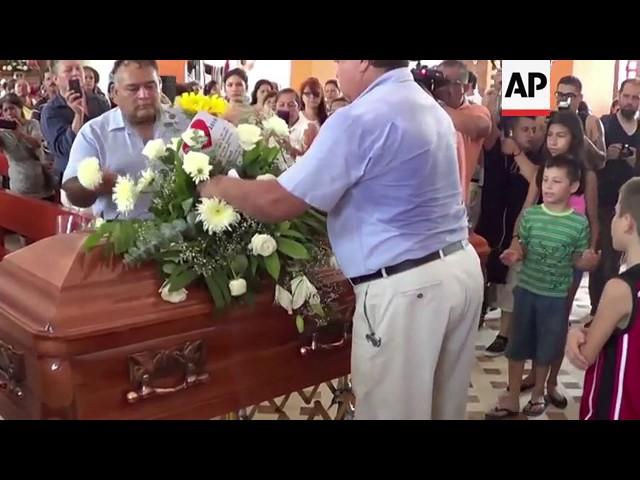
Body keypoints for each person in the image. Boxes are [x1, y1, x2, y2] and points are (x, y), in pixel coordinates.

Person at [196, 60, 483, 420]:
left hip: (407, 288)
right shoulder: (426, 103)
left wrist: (215, 185)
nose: (336, 68)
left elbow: (278, 201)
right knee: (443, 409)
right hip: (458, 270)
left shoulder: (359, 117)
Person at [486, 155, 599, 418]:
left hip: (556, 298)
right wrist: (516, 254)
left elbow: (577, 259)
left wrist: (588, 262)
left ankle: (538, 394)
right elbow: (522, 247)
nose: (548, 186)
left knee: (546, 349)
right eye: (545, 180)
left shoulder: (578, 223)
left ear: (572, 187)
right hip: (526, 292)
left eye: (556, 181)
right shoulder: (531, 216)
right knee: (516, 346)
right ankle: (512, 395)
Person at [62, 60, 190, 220]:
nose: (144, 95)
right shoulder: (94, 133)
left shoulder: (185, 123)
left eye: (150, 86)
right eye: (133, 89)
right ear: (114, 93)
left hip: (183, 235)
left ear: (160, 87)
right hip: (120, 238)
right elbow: (72, 191)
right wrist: (93, 185)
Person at [566, 177, 640, 420]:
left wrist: (575, 334)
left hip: (619, 408)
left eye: (617, 212)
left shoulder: (620, 289)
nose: (613, 219)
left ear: (628, 223)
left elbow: (585, 355)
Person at [476, 117, 538, 357]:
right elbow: (489, 122)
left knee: (511, 286)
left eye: (534, 129)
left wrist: (518, 154)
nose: (531, 134)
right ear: (511, 131)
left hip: (517, 230)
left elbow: (537, 177)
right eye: (525, 129)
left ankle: (504, 334)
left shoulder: (535, 158)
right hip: (489, 227)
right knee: (486, 282)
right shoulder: (495, 151)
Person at [590, 78, 640, 322]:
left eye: (636, 98)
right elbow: (591, 162)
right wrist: (606, 156)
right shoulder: (603, 125)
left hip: (635, 204)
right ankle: (597, 312)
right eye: (627, 96)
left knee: (633, 259)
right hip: (606, 202)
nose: (630, 101)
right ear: (619, 96)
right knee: (606, 261)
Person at [40, 60, 111, 181]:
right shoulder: (51, 111)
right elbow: (63, 150)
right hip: (71, 178)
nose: (75, 74)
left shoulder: (100, 102)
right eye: (68, 70)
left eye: (78, 68)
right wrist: (78, 115)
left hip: (103, 170)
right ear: (56, 79)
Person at [436, 60, 491, 201]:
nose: (444, 88)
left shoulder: (476, 112)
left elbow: (475, 128)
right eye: (440, 81)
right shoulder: (425, 108)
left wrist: (434, 104)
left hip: (455, 202)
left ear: (466, 88)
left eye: (452, 83)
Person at [0, 94, 54, 200]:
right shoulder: (2, 134)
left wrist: (20, 133)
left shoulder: (32, 124)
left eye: (12, 108)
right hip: (19, 186)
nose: (9, 112)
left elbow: (37, 143)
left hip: (42, 184)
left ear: (20, 108)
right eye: (5, 110)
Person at [555, 75, 606, 170]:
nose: (564, 100)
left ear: (580, 98)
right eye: (560, 95)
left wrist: (581, 138)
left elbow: (601, 162)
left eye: (569, 96)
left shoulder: (590, 122)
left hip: (582, 178)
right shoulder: (549, 121)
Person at [290, 77, 327, 155]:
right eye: (307, 94)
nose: (312, 97)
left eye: (316, 94)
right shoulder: (295, 116)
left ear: (321, 97)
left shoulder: (327, 120)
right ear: (302, 96)